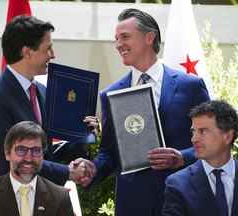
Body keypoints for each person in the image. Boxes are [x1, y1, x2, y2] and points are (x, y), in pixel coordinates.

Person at [75, 8, 210, 216]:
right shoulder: (111, 94)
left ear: (149, 37)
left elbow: (212, 141)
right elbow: (109, 153)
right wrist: (91, 169)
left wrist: (181, 158)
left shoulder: (190, 86)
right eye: (116, 39)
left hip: (184, 200)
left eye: (125, 37)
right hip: (133, 204)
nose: (119, 45)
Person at [0, 15, 96, 185]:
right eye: (48, 49)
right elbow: (10, 160)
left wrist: (82, 137)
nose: (52, 55)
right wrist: (67, 172)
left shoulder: (41, 91)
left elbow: (45, 151)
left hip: (37, 198)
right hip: (4, 201)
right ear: (27, 52)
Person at [0, 121, 74, 216]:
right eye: (21, 150)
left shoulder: (59, 197)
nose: (29, 158)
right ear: (7, 153)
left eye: (36, 150)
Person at [162, 100, 238, 216]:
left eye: (203, 131)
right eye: (193, 132)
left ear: (227, 136)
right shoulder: (177, 184)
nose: (194, 139)